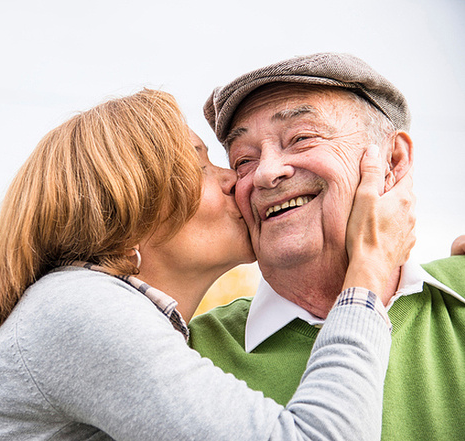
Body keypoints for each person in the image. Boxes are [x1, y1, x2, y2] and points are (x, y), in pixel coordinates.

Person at [0, 89, 415, 441]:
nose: (238, 179)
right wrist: (369, 271)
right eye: (202, 167)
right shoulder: (78, 311)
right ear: (127, 216)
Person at [190, 53, 465, 441]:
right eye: (244, 160)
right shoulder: (188, 353)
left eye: (301, 138)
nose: (267, 173)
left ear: (393, 160)